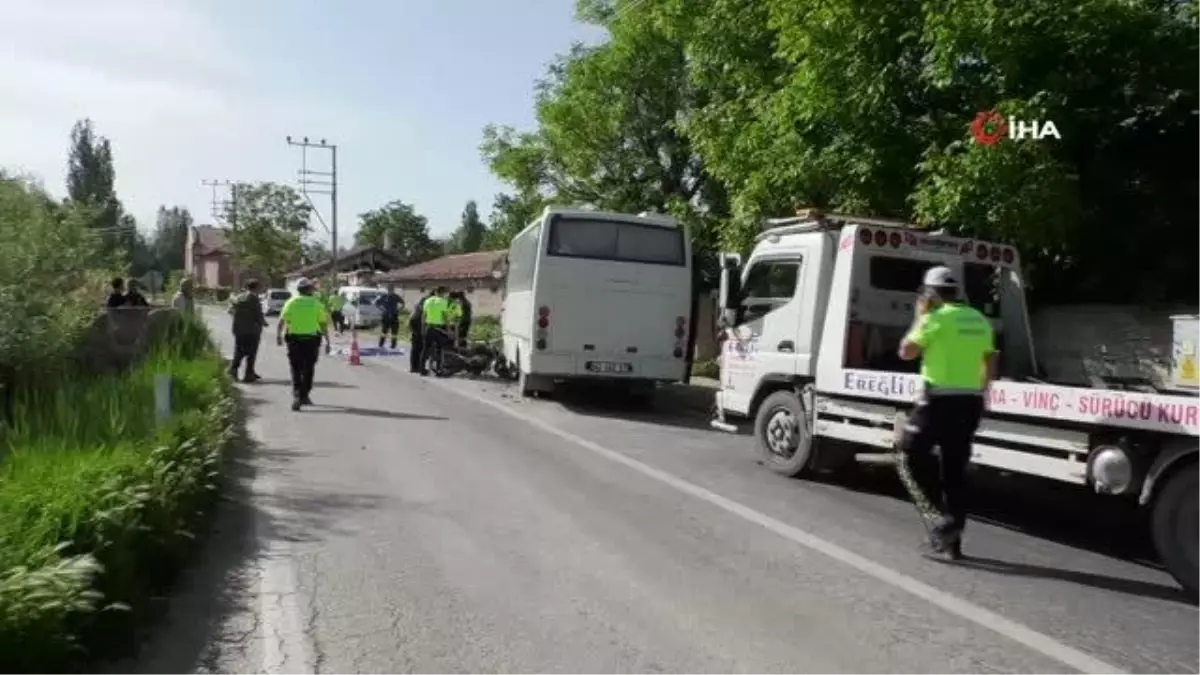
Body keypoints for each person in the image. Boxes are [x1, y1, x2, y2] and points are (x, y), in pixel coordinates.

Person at [896, 266, 996, 560]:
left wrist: (919, 316)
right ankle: (952, 545)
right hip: (970, 402)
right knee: (954, 471)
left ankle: (941, 521)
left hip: (937, 402)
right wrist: (980, 392)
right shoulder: (979, 319)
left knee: (906, 456)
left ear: (930, 292)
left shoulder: (933, 319)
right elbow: (989, 360)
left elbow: (906, 352)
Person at [275, 277, 331, 411]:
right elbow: (323, 324)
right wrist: (328, 341)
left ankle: (297, 393)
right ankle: (303, 394)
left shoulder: (291, 302)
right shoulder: (316, 304)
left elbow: (282, 321)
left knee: (295, 367)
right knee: (309, 368)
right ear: (309, 290)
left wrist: (278, 335)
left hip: (294, 339)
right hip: (311, 340)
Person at [228, 279, 267, 383]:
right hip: (252, 331)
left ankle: (234, 370)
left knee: (239, 351)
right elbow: (258, 314)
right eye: (260, 287)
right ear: (256, 288)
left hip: (239, 329)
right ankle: (248, 374)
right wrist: (264, 323)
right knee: (251, 353)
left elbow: (230, 311)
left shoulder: (239, 297)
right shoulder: (254, 299)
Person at [419, 286, 450, 375]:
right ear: (442, 292)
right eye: (445, 293)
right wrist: (448, 330)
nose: (445, 295)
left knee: (425, 349)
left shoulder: (427, 301)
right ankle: (438, 369)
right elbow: (445, 317)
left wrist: (422, 329)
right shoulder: (443, 302)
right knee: (440, 349)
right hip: (438, 329)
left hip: (428, 327)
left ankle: (422, 369)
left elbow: (423, 316)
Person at [408, 289, 435, 374]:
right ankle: (419, 367)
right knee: (422, 347)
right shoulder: (430, 301)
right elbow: (425, 314)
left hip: (413, 320)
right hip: (419, 321)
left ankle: (413, 367)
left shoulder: (422, 299)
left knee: (415, 347)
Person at [374, 283, 405, 349]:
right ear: (387, 290)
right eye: (389, 289)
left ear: (393, 290)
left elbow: (403, 303)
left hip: (394, 315)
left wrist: (399, 310)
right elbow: (376, 303)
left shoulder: (396, 296)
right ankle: (381, 344)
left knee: (394, 332)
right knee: (384, 331)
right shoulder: (384, 296)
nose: (390, 290)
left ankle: (393, 345)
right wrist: (381, 309)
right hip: (386, 316)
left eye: (392, 289)